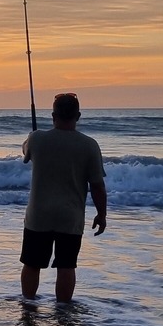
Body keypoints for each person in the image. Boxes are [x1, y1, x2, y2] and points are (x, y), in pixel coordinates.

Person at [20, 92, 107, 303]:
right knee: (66, 266)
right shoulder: (89, 145)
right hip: (70, 217)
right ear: (77, 116)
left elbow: (25, 154)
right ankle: (63, 312)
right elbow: (97, 185)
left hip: (39, 215)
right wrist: (101, 214)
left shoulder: (37, 139)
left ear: (53, 115)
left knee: (32, 264)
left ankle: (28, 307)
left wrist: (33, 137)